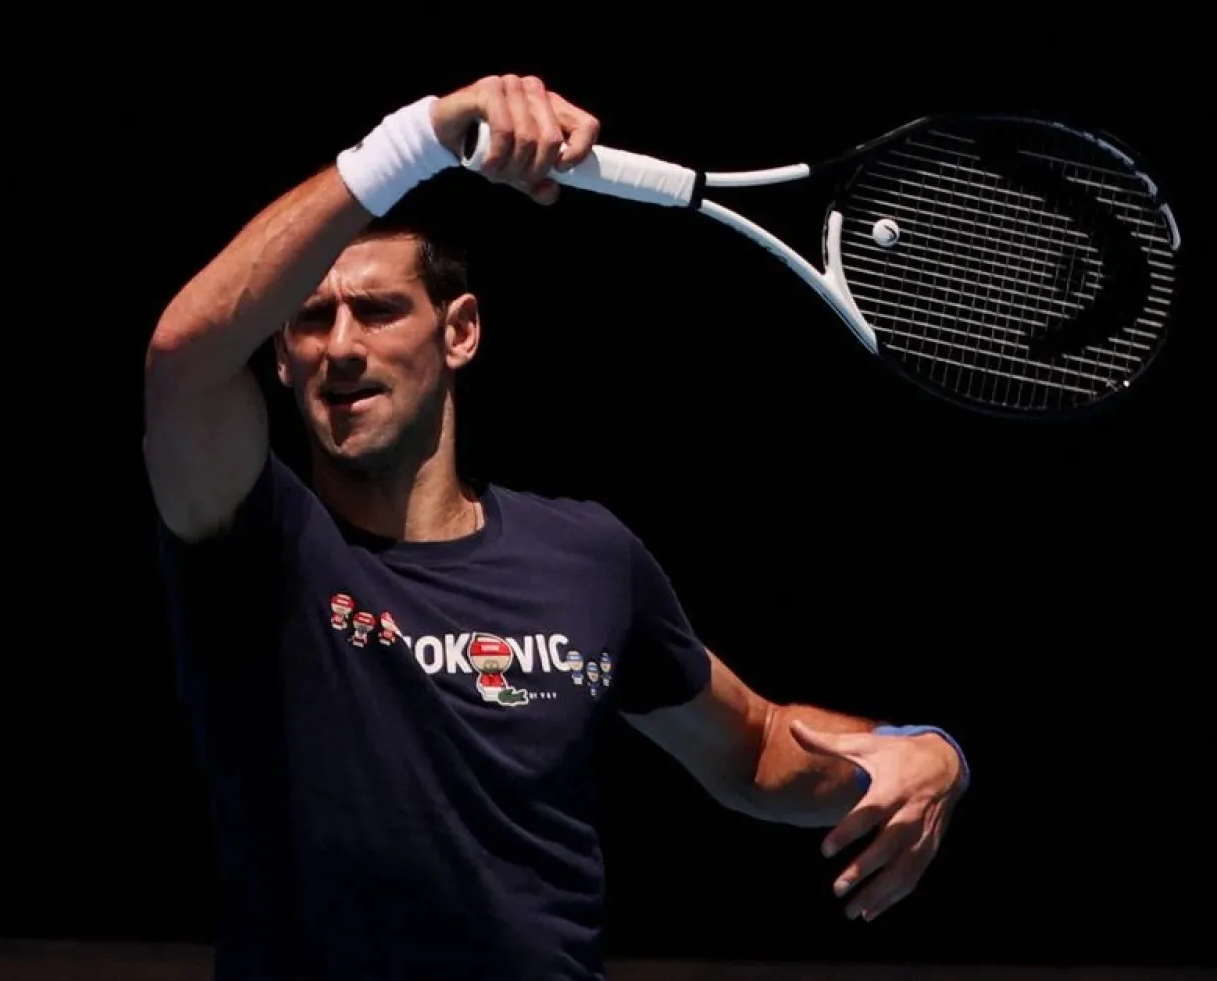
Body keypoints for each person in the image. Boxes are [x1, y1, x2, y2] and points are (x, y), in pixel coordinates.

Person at [143, 74, 970, 981]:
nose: (341, 345)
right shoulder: (254, 539)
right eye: (310, 319)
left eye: (377, 310)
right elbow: (184, 357)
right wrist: (418, 140)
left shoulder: (585, 557)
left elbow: (757, 748)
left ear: (459, 333)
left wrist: (918, 753)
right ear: (281, 356)